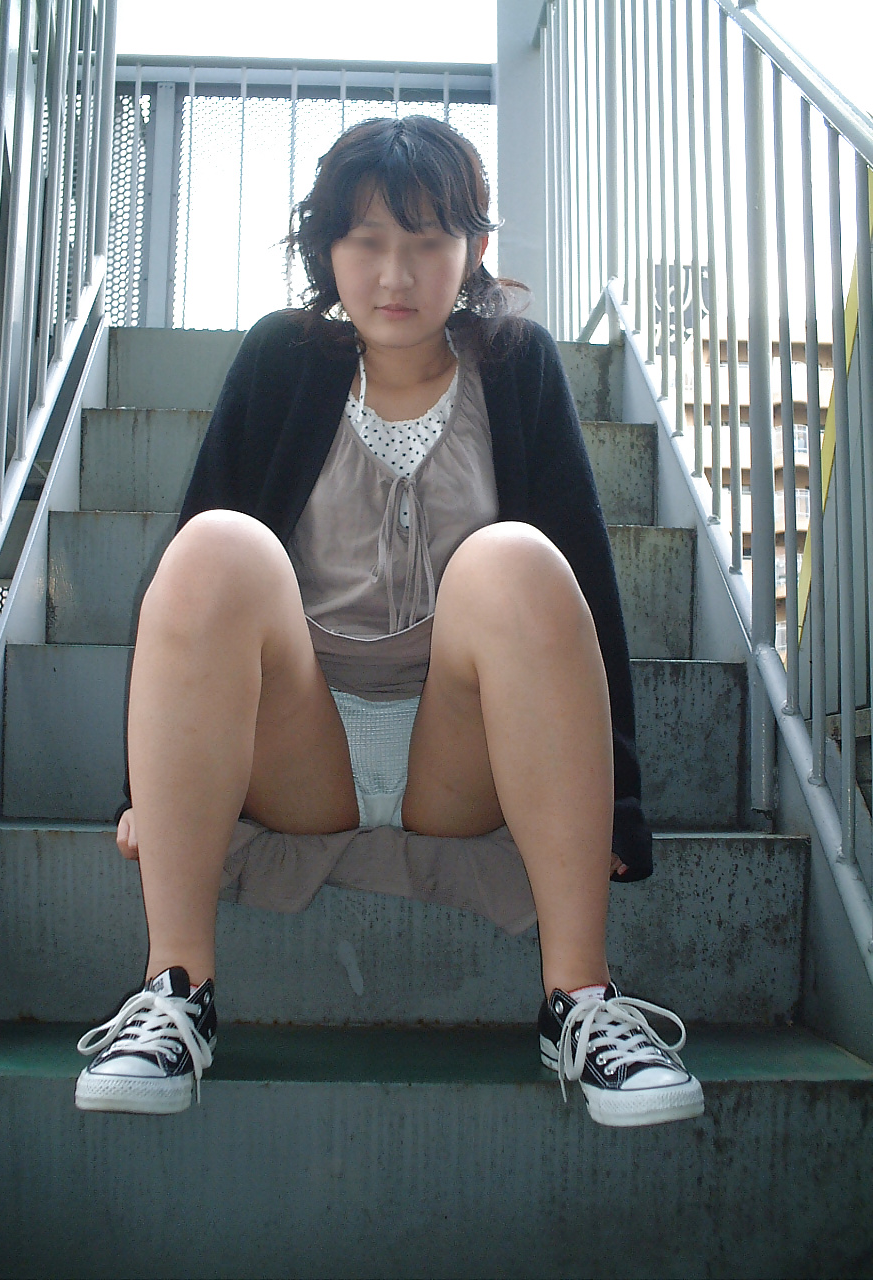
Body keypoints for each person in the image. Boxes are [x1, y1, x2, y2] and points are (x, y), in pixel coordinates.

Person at [74, 115, 703, 1128]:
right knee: (214, 544)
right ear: (328, 249)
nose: (395, 273)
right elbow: (192, 605)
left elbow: (583, 585)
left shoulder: (518, 365)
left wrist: (617, 802)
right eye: (366, 239)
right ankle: (175, 994)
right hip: (299, 739)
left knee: (517, 558)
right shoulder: (282, 358)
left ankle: (581, 1003)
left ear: (475, 249)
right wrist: (148, 792)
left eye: (427, 240)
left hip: (467, 746)